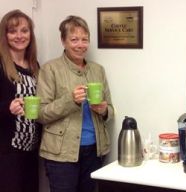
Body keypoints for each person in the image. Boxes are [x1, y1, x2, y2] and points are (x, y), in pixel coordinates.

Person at [36, 15, 114, 192]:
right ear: (63, 41)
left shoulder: (97, 70)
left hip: (95, 151)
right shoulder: (50, 69)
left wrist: (104, 110)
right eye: (74, 39)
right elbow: (40, 113)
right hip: (60, 154)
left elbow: (110, 108)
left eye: (84, 39)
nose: (80, 45)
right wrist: (70, 101)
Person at [0, 9, 41, 192]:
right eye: (13, 31)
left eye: (24, 31)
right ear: (4, 34)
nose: (19, 36)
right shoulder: (1, 64)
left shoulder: (34, 65)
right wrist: (7, 107)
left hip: (31, 149)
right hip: (7, 152)